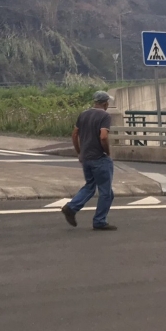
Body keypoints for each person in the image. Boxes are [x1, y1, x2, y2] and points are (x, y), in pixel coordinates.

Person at [61, 91, 117, 231]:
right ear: (105, 103)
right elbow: (103, 136)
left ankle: (71, 207)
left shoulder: (84, 114)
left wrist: (79, 152)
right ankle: (99, 221)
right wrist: (107, 152)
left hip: (86, 158)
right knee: (106, 192)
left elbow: (75, 134)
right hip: (99, 158)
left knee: (90, 186)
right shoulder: (104, 116)